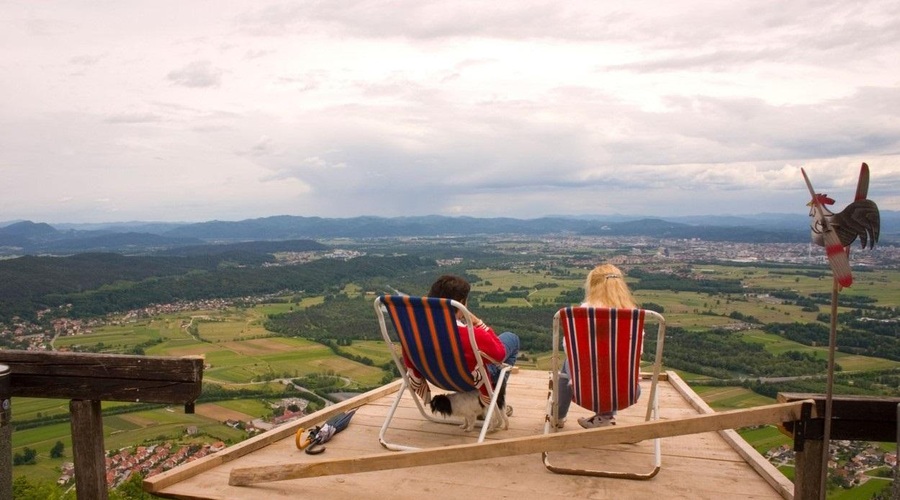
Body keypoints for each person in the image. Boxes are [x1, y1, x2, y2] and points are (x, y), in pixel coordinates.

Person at [404, 274, 519, 415]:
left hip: (436, 377)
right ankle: (492, 405)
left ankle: (485, 405)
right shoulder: (470, 334)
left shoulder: (414, 330)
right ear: (461, 302)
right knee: (511, 339)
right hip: (468, 379)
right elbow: (499, 354)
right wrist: (478, 323)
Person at [554, 263, 640, 429]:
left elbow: (569, 349)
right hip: (626, 393)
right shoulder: (633, 316)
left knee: (567, 365)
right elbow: (637, 354)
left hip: (584, 390)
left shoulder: (584, 313)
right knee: (615, 368)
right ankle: (605, 417)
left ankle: (557, 417)